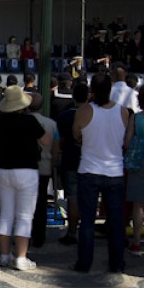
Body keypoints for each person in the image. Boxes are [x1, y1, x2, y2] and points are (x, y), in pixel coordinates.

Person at [0, 86, 50, 271]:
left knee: (5, 213)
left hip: (3, 169)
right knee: (24, 215)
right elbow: (46, 141)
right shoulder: (30, 121)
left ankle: (4, 255)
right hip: (27, 170)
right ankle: (21, 257)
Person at [72, 74, 129, 273]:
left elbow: (76, 135)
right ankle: (117, 263)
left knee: (87, 220)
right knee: (116, 221)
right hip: (114, 170)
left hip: (89, 169)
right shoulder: (123, 112)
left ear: (92, 90)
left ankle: (84, 263)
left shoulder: (84, 111)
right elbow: (125, 142)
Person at [56, 83, 88, 245]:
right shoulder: (92, 115)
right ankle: (86, 231)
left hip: (70, 160)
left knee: (73, 198)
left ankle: (72, 231)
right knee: (88, 198)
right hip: (88, 161)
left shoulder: (64, 116)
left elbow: (59, 141)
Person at [28, 94, 58, 248]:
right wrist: (53, 164)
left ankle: (26, 234)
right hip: (44, 167)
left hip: (26, 167)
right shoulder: (52, 124)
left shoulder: (24, 122)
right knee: (41, 204)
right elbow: (56, 146)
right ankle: (39, 236)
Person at [125, 84, 144, 255]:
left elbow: (126, 142)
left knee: (138, 204)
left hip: (139, 161)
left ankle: (136, 241)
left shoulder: (135, 118)